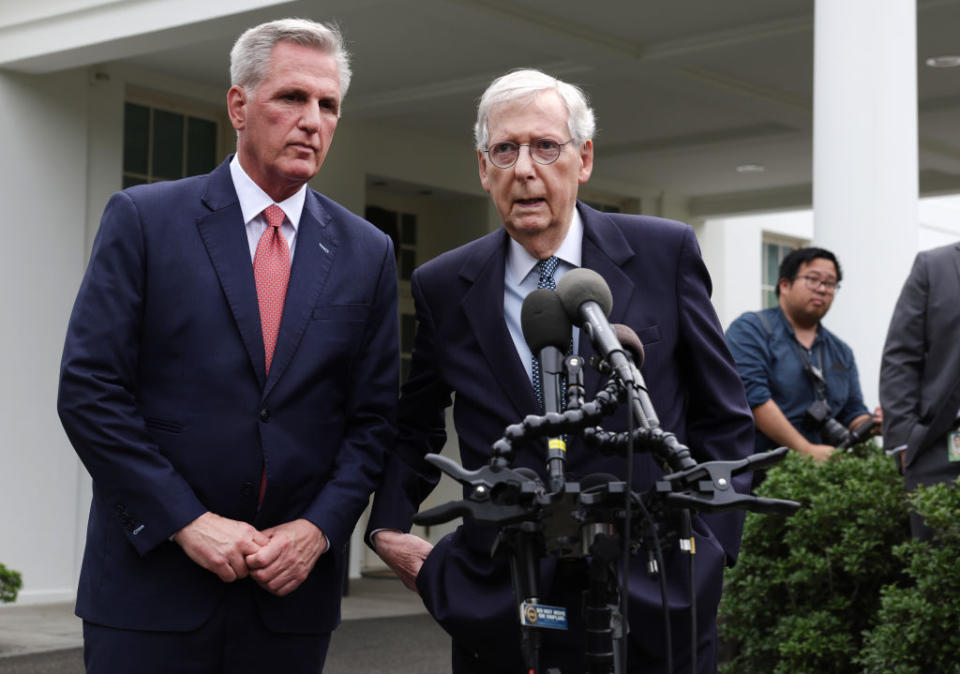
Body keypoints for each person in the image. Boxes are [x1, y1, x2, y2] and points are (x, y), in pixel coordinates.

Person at [367, 69, 754, 673]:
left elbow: (724, 413)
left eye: (546, 146)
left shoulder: (663, 252)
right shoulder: (445, 284)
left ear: (584, 158)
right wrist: (387, 529)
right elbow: (415, 426)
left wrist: (710, 552)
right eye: (505, 149)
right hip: (503, 597)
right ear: (483, 167)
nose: (525, 168)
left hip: (654, 597)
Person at [56, 19, 398, 674]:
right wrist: (187, 520)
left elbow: (372, 420)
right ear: (239, 105)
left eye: (328, 106)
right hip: (151, 588)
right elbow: (90, 394)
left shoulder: (367, 252)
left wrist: (319, 529)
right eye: (291, 98)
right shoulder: (144, 220)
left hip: (289, 599)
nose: (312, 121)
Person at [725, 247, 879, 461]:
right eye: (813, 279)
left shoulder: (841, 351)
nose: (822, 289)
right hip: (756, 471)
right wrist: (806, 450)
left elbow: (853, 412)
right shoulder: (751, 330)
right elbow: (752, 398)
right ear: (785, 285)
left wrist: (875, 424)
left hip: (820, 478)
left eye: (830, 283)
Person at [880, 241, 960, 538]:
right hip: (939, 448)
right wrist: (904, 441)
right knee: (936, 566)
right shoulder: (933, 265)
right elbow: (901, 356)